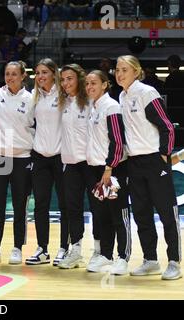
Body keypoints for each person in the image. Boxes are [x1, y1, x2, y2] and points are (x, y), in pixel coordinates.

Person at [116, 55, 181, 280]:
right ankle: (150, 260)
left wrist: (164, 154)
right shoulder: (122, 97)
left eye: (124, 69)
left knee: (166, 213)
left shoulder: (146, 93)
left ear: (136, 71)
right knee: (142, 214)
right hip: (134, 163)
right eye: (117, 69)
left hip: (154, 161)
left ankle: (174, 261)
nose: (119, 73)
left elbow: (167, 127)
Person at [0, 61, 35, 265]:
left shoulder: (32, 99)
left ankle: (17, 248)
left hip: (22, 158)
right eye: (7, 74)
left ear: (23, 76)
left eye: (14, 74)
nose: (10, 77)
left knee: (20, 206)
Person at [84, 70, 131, 275]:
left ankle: (123, 257)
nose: (89, 87)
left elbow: (118, 141)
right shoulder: (93, 108)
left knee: (118, 214)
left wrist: (109, 167)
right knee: (101, 214)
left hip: (111, 169)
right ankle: (105, 254)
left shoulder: (111, 107)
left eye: (93, 83)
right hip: (95, 170)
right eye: (87, 84)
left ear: (104, 85)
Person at [25, 58, 68, 266]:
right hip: (40, 157)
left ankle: (64, 248)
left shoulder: (65, 95)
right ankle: (42, 249)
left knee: (65, 205)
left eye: (44, 72)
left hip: (61, 157)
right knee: (40, 205)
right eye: (38, 73)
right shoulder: (35, 98)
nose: (40, 76)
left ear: (54, 73)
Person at [54, 64, 96, 269]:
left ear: (79, 79)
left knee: (98, 209)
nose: (65, 83)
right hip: (70, 164)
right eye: (62, 80)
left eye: (69, 78)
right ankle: (76, 251)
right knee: (73, 209)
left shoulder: (90, 102)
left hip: (90, 164)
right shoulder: (63, 103)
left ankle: (100, 251)